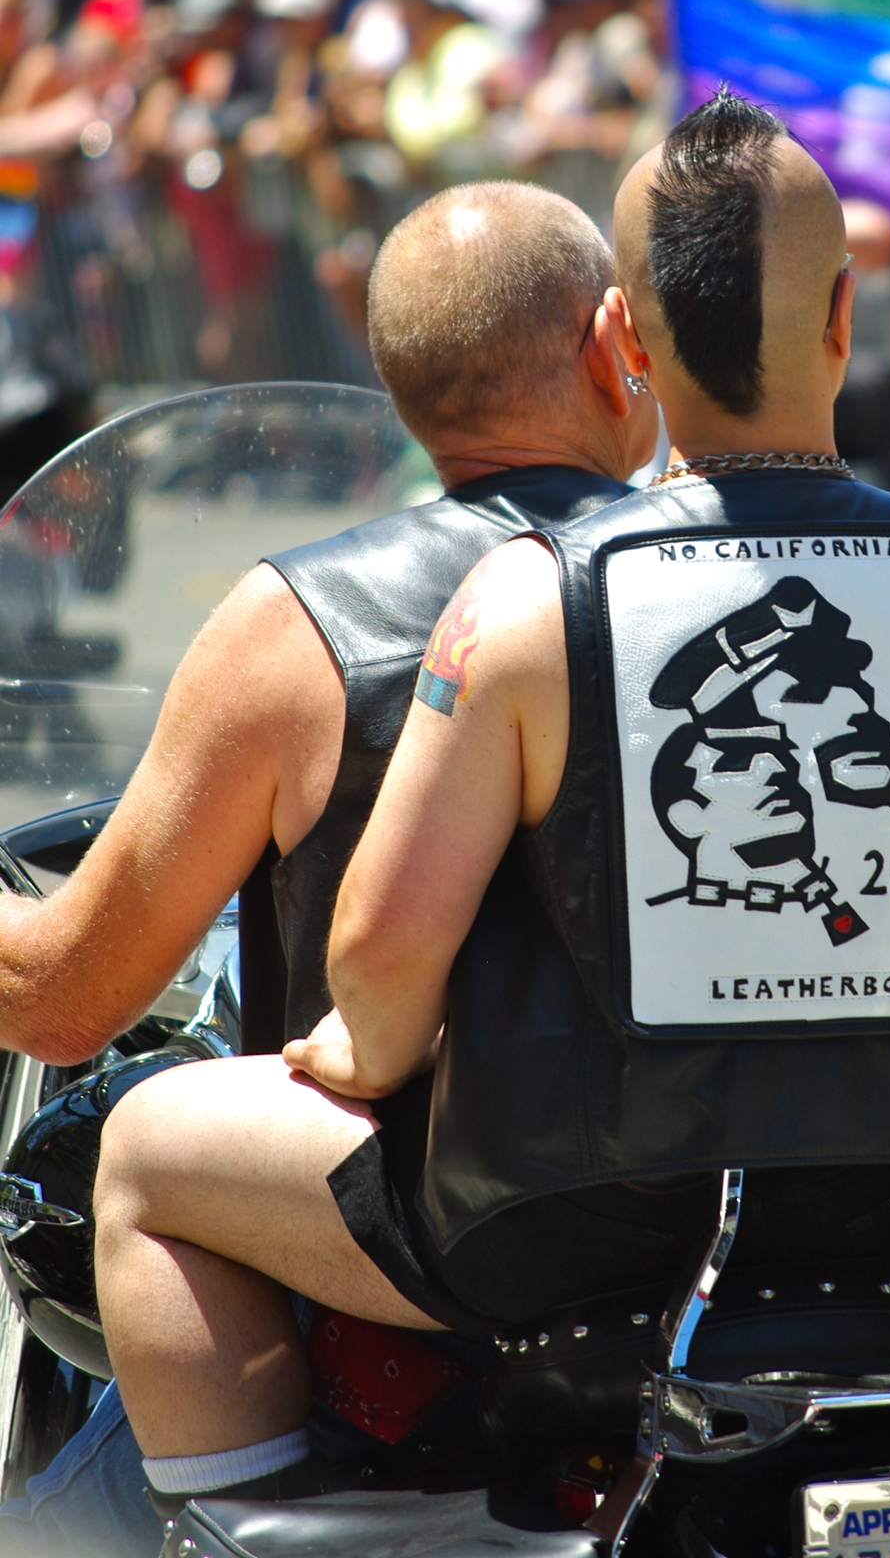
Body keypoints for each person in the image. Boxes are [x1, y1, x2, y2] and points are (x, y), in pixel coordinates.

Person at [91, 93, 890, 1535]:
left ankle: (290, 1525)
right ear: (845, 315)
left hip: (577, 1226)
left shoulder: (528, 602)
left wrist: (363, 1048)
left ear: (623, 344)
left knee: (141, 1149)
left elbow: (386, 949)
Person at [0, 178, 653, 1554]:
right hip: (770, 1206)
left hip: (456, 1236)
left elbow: (66, 998)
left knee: (134, 1159)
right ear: (615, 344)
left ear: (400, 382)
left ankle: (239, 1527)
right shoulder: (712, 584)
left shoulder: (302, 622)